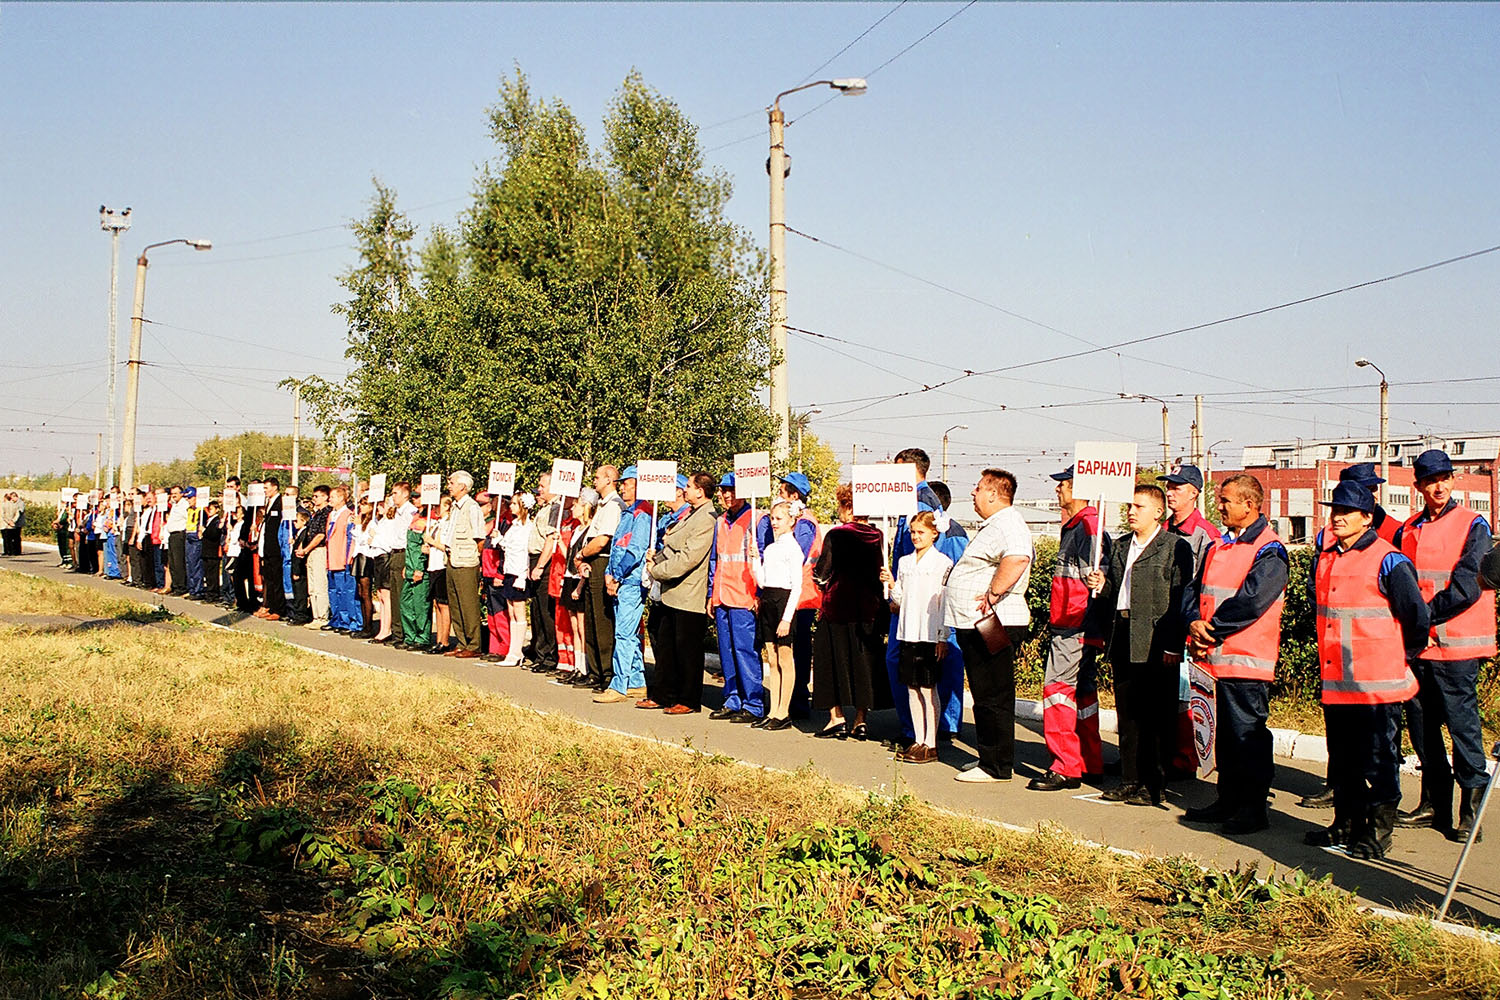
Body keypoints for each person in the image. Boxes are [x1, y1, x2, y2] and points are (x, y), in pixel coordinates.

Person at [1306, 480, 1429, 859]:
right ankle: (1345, 824)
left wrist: (1399, 656)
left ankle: (1377, 832)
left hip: (1377, 685)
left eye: (1346, 512)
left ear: (1366, 517)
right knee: (1342, 760)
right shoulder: (1326, 556)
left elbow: (1416, 618)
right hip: (1337, 681)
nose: (1337, 518)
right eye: (1334, 510)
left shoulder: (1389, 559)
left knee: (1378, 761)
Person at [1393, 449, 1495, 843]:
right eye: (1430, 480)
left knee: (1462, 726)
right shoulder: (1409, 528)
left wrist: (1424, 617)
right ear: (1418, 486)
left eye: (1444, 478)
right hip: (1421, 646)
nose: (1438, 486)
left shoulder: (1474, 524)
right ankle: (1434, 803)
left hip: (1458, 646)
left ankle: (1472, 810)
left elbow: (1469, 584)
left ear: (1453, 481)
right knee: (1421, 726)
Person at [1184, 473, 1288, 835]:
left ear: (1249, 504)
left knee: (1248, 736)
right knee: (1224, 736)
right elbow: (1194, 590)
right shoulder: (1218, 546)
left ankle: (1252, 807)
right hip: (1212, 660)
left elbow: (1253, 601)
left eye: (1226, 500)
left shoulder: (1269, 549)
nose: (1220, 506)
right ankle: (1227, 799)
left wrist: (1208, 629)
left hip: (1246, 661)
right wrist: (1193, 620)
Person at [1085, 485, 1193, 805]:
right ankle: (1129, 779)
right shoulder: (1119, 547)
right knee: (1128, 712)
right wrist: (1102, 587)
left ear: (1158, 512)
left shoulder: (1175, 547)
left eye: (1139, 506)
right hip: (1124, 634)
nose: (1131, 512)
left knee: (1156, 716)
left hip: (1158, 639)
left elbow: (1181, 597)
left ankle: (1154, 783)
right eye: (1130, 506)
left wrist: (1174, 644)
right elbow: (1116, 592)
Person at [940, 469, 1033, 782]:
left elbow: (1018, 558)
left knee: (992, 693)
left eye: (978, 488)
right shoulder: (995, 524)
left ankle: (994, 766)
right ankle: (990, 759)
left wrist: (994, 592)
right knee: (985, 692)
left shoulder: (1009, 523)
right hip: (978, 622)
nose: (973, 494)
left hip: (993, 621)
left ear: (994, 493)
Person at [1031, 465, 1111, 792]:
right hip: (1077, 624)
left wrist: (1082, 624)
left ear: (1079, 488)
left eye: (1062, 485)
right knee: (1084, 694)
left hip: (1073, 625)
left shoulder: (1088, 528)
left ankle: (1065, 767)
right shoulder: (1081, 526)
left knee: (1057, 692)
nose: (1057, 491)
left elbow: (1098, 582)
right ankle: (1088, 762)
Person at [884, 448, 971, 748]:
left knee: (919, 667)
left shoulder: (919, 501)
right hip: (913, 596)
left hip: (922, 602)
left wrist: (903, 595)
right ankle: (934, 728)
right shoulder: (912, 500)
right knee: (923, 666)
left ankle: (920, 732)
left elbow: (935, 558)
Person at [811, 483, 890, 739]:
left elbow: (823, 572)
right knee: (863, 664)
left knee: (832, 661)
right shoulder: (878, 536)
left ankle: (836, 717)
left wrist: (817, 577)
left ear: (849, 507)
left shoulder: (837, 534)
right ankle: (861, 719)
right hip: (868, 609)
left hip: (838, 606)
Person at [1159, 464, 1220, 779]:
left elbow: (1205, 584)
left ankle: (1184, 759)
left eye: (1178, 488)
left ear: (1194, 493)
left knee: (1185, 697)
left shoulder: (1205, 535)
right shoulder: (1164, 527)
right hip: (1160, 625)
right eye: (1168, 487)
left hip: (1186, 627)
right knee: (1163, 695)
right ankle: (1163, 753)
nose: (1170, 492)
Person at [882, 510, 954, 762]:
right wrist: (891, 585)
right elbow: (900, 600)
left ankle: (931, 743)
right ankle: (918, 739)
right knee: (912, 688)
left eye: (920, 532)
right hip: (908, 631)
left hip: (929, 633)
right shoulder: (904, 563)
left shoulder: (942, 563)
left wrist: (943, 636)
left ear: (934, 533)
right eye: (912, 532)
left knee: (927, 688)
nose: (915, 536)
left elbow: (944, 602)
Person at [645, 473, 715, 714]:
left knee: (687, 651)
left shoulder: (707, 517)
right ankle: (664, 694)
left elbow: (689, 558)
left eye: (688, 486)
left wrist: (658, 570)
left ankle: (688, 699)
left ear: (700, 491)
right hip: (671, 592)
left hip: (688, 593)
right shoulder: (693, 514)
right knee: (666, 648)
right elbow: (673, 546)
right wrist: (656, 558)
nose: (684, 490)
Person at [755, 472, 823, 719]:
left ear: (794, 496)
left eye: (783, 491)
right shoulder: (793, 524)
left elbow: (798, 557)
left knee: (795, 652)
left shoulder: (804, 524)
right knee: (780, 653)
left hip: (799, 597)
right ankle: (781, 706)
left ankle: (795, 703)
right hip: (783, 595)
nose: (778, 495)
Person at [708, 473, 763, 723]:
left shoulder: (757, 520)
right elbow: (715, 561)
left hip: (744, 596)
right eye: (723, 490)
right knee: (727, 652)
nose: (726, 495)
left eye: (731, 490)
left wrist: (759, 594)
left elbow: (763, 560)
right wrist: (711, 594)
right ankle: (732, 699)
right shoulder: (720, 521)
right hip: (722, 595)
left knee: (745, 651)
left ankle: (753, 703)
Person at [598, 469, 653, 702]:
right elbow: (618, 548)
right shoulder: (628, 512)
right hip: (621, 579)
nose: (622, 488)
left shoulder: (643, 515)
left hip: (630, 581)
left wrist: (617, 576)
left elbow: (635, 550)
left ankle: (619, 684)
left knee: (623, 633)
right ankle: (637, 681)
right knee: (629, 634)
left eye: (627, 484)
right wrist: (610, 572)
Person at [752, 500, 805, 730]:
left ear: (791, 520)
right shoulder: (772, 548)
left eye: (779, 519)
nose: (774, 523)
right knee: (771, 658)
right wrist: (755, 559)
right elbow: (763, 581)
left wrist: (787, 617)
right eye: (772, 518)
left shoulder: (793, 549)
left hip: (784, 603)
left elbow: (797, 586)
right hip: (768, 601)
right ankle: (773, 709)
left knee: (785, 657)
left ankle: (784, 711)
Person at [574, 465, 623, 691]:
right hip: (591, 561)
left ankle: (606, 671)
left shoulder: (613, 506)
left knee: (602, 621)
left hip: (601, 559)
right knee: (591, 618)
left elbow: (603, 540)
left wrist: (583, 553)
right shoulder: (603, 505)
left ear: (609, 480)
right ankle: (593, 670)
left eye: (597, 478)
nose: (594, 481)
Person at [554, 490, 598, 682]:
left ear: (586, 506)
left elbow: (586, 560)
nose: (573, 507)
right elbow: (572, 556)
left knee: (582, 626)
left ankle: (586, 667)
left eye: (577, 504)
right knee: (573, 625)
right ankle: (578, 667)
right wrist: (560, 544)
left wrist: (580, 586)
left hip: (580, 580)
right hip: (569, 575)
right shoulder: (576, 530)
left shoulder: (590, 531)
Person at [444, 471, 488, 659]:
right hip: (452, 560)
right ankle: (461, 642)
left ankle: (474, 643)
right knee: (455, 604)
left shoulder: (472, 507)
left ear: (463, 486)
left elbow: (479, 538)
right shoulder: (455, 507)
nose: (449, 486)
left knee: (468, 604)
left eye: (452, 483)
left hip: (466, 562)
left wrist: (475, 560)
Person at [526, 473, 560, 673]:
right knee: (537, 611)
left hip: (544, 561)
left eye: (542, 486)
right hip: (535, 559)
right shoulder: (544, 508)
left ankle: (549, 656)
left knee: (546, 612)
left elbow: (550, 540)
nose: (539, 489)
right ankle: (540, 653)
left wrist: (540, 566)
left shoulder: (555, 509)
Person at [499, 493, 534, 665]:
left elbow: (526, 552)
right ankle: (513, 651)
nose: (511, 506)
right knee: (511, 611)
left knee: (519, 612)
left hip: (519, 572)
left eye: (514, 503)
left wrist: (522, 576)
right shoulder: (514, 526)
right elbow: (508, 545)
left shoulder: (528, 527)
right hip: (509, 570)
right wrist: (498, 539)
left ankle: (517, 652)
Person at [325, 485, 363, 634]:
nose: (330, 499)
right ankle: (336, 619)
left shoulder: (348, 515)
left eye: (333, 497)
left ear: (341, 498)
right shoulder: (331, 515)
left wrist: (347, 557)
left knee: (344, 591)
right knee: (333, 591)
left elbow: (349, 539)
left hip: (341, 558)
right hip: (331, 559)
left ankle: (347, 621)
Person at [400, 506, 434, 650]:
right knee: (406, 603)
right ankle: (410, 636)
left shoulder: (426, 523)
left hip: (419, 571)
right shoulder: (415, 521)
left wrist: (419, 569)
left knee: (420, 606)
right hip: (409, 568)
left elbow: (422, 550)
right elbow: (411, 548)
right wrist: (406, 566)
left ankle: (422, 638)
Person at [423, 494, 453, 654]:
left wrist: (433, 542)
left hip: (442, 565)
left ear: (447, 506)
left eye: (439, 505)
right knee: (436, 603)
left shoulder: (448, 523)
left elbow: (446, 546)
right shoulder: (436, 523)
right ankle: (439, 639)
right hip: (433, 564)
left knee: (443, 603)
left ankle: (445, 640)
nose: (435, 509)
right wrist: (427, 547)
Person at [299, 485, 332, 629]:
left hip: (319, 550)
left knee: (320, 585)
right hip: (311, 551)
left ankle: (323, 616)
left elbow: (320, 535)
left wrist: (306, 549)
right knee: (312, 587)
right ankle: (315, 615)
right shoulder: (315, 513)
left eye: (317, 496)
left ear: (325, 497)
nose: (314, 499)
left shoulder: (326, 513)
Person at [257, 478, 287, 621]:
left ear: (275, 487)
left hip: (276, 547)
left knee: (276, 579)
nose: (265, 491)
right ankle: (271, 606)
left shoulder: (280, 502)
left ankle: (279, 609)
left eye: (267, 488)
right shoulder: (268, 503)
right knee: (269, 578)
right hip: (267, 547)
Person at [199, 500, 223, 604]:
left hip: (213, 551)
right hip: (207, 551)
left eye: (212, 509)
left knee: (213, 574)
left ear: (217, 510)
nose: (210, 511)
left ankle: (213, 594)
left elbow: (214, 534)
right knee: (208, 574)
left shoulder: (217, 521)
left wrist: (204, 530)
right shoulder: (208, 520)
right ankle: (209, 593)